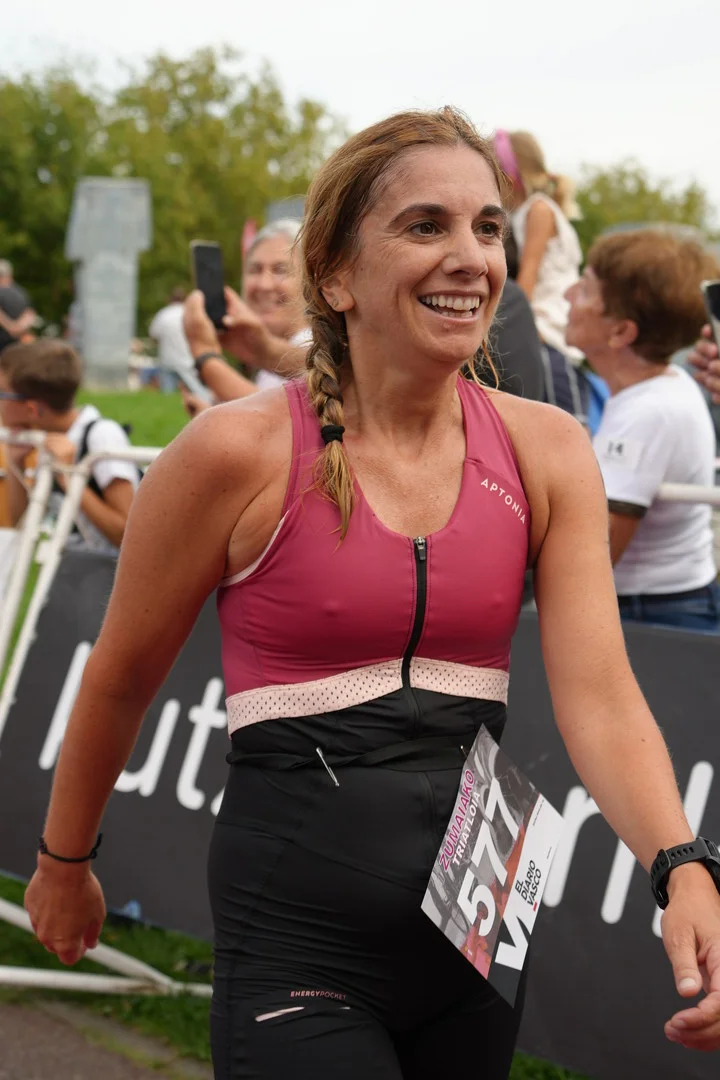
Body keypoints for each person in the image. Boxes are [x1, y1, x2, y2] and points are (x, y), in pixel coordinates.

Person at [23, 109, 720, 1078]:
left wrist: (682, 866)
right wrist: (63, 863)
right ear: (335, 276)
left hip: (481, 930)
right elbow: (121, 677)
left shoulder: (548, 448)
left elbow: (600, 696)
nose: (471, 257)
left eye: (487, 228)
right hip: (299, 945)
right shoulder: (233, 452)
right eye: (426, 225)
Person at [565, 229, 720, 630]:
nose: (567, 295)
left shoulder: (646, 412)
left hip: (651, 616)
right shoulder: (666, 386)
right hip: (675, 604)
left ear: (621, 332)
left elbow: (592, 556)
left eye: (585, 289)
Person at [493, 130, 609, 429]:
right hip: (543, 324)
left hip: (547, 325)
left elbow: (529, 274)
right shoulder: (522, 212)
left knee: (564, 422)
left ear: (509, 176)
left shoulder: (539, 210)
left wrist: (516, 324)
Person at [0, 340, 138, 553]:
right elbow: (20, 523)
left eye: (2, 393)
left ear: (32, 409)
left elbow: (126, 535)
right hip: (72, 567)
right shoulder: (46, 438)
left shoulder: (101, 435)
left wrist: (68, 476)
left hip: (106, 570)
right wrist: (16, 462)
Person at [181, 219, 311, 413]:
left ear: (309, 282)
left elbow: (278, 418)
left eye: (280, 270)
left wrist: (205, 355)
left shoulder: (317, 346)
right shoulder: (270, 362)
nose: (264, 285)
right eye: (254, 270)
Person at [147, 287, 196, 393]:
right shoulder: (189, 313)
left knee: (168, 394)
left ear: (170, 299)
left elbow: (154, 336)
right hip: (188, 360)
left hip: (167, 359)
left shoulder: (163, 314)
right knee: (192, 392)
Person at [0, 259, 36, 353]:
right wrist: (19, 327)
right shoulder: (22, 292)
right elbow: (30, 314)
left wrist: (10, 327)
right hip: (19, 343)